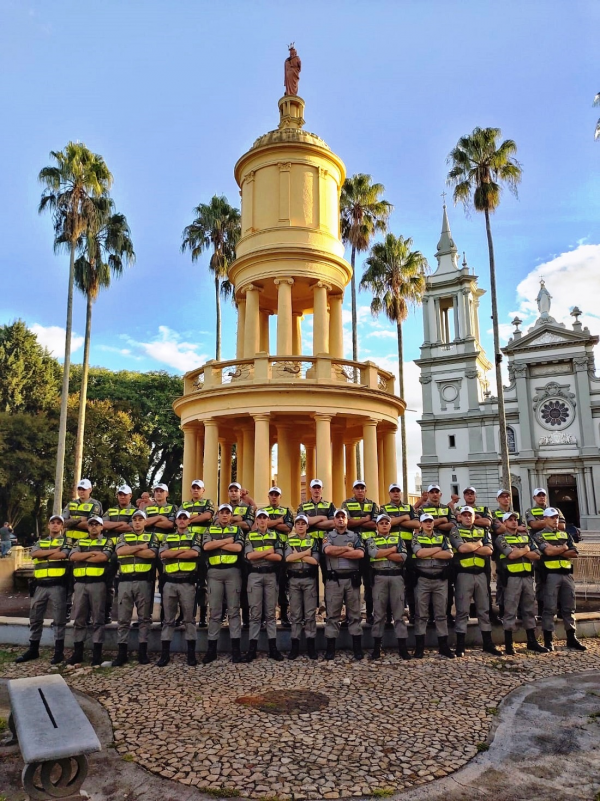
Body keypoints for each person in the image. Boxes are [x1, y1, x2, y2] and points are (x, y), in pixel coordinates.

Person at [15, 515, 70, 665]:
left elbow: (63, 554)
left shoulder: (66, 542)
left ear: (62, 527)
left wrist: (45, 554)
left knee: (59, 619)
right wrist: (53, 552)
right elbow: (34, 554)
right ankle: (33, 649)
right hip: (40, 585)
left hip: (57, 585)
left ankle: (58, 653)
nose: (55, 525)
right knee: (35, 617)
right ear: (48, 525)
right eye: (52, 522)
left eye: (58, 523)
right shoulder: (41, 541)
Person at [449, 506, 501, 657]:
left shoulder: (483, 531)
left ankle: (488, 643)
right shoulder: (455, 531)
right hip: (463, 575)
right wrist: (478, 545)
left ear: (473, 517)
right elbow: (461, 548)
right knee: (462, 610)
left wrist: (472, 547)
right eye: (464, 515)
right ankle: (460, 645)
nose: (467, 517)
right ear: (460, 517)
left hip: (480, 575)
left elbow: (489, 550)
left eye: (469, 515)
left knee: (484, 610)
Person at [533, 508, 586, 651]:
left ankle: (571, 637)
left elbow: (574, 553)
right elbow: (547, 551)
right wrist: (563, 548)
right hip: (550, 575)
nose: (555, 520)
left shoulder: (565, 534)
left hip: (567, 574)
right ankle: (548, 639)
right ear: (545, 519)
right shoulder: (539, 536)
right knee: (549, 607)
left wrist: (558, 549)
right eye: (551, 517)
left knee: (569, 607)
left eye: (556, 517)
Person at [494, 511, 547, 654]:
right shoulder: (501, 538)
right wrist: (526, 549)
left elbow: (537, 555)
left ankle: (532, 641)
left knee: (529, 609)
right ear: (504, 523)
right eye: (510, 520)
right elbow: (511, 554)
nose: (513, 522)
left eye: (515, 519)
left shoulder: (526, 537)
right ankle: (509, 644)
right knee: (510, 610)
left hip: (527, 578)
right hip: (511, 578)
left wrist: (521, 550)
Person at [112, 509, 159, 666]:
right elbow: (120, 552)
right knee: (123, 618)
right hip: (125, 581)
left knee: (144, 618)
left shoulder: (152, 537)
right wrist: (141, 547)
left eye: (141, 519)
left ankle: (143, 652)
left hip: (144, 582)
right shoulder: (123, 536)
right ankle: (122, 653)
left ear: (145, 522)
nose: (137, 521)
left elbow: (152, 554)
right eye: (135, 519)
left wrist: (131, 550)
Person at [156, 509, 202, 667]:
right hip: (170, 582)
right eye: (179, 518)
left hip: (187, 583)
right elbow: (162, 554)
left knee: (189, 619)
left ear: (189, 521)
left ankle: (191, 655)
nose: (182, 520)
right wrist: (183, 552)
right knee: (168, 620)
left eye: (185, 518)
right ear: (175, 521)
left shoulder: (195, 536)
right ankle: (165, 655)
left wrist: (173, 552)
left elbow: (194, 554)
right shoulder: (168, 537)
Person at [67, 516, 114, 666]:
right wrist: (91, 554)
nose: (94, 527)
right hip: (80, 584)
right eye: (91, 524)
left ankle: (97, 654)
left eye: (97, 525)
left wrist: (83, 556)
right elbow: (73, 556)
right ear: (87, 527)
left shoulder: (107, 541)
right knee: (79, 618)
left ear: (102, 527)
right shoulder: (80, 541)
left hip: (97, 584)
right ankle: (78, 652)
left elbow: (103, 557)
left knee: (98, 619)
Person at [202, 503, 244, 664]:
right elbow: (206, 546)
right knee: (215, 612)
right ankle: (211, 650)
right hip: (214, 573)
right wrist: (226, 541)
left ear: (231, 515)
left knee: (234, 610)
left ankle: (236, 650)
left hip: (233, 572)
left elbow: (238, 548)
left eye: (228, 513)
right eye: (222, 512)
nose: (225, 515)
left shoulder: (237, 530)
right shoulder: (209, 530)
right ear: (217, 514)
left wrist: (217, 543)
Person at [366, 513, 410, 660]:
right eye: (381, 523)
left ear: (390, 525)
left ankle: (403, 648)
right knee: (379, 614)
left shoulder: (398, 539)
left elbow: (403, 557)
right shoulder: (372, 539)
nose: (384, 525)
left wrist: (382, 553)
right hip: (379, 577)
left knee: (399, 613)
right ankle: (377, 648)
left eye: (387, 523)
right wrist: (392, 550)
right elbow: (373, 553)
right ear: (377, 526)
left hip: (397, 577)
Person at [322, 509, 365, 661]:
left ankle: (357, 648)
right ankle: (330, 649)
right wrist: (347, 549)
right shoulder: (328, 536)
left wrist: (338, 552)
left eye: (343, 517)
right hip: (334, 581)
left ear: (347, 520)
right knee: (332, 615)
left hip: (351, 580)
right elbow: (327, 550)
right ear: (334, 521)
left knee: (354, 615)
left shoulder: (355, 536)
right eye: (338, 517)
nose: (340, 519)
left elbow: (359, 554)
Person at [243, 509, 284, 662]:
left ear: (267, 520)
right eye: (259, 518)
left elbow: (279, 556)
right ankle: (252, 649)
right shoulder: (250, 535)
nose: (261, 520)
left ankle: (273, 648)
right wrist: (268, 551)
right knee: (255, 613)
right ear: (256, 520)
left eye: (264, 518)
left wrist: (259, 553)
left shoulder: (275, 535)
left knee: (270, 613)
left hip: (271, 575)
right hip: (254, 575)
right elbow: (249, 556)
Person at [412, 513, 455, 658]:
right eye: (425, 521)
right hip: (422, 579)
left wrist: (429, 552)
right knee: (421, 614)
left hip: (440, 579)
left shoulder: (443, 538)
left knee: (441, 613)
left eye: (430, 521)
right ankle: (419, 648)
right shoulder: (416, 537)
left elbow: (449, 554)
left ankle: (443, 646)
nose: (428, 523)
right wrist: (438, 550)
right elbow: (419, 553)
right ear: (421, 524)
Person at [380, 483, 420, 622]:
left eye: (398, 491)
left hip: (408, 548)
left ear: (401, 493)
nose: (396, 493)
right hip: (392, 548)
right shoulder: (384, 508)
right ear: (389, 493)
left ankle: (414, 614)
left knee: (410, 581)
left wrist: (395, 521)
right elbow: (385, 524)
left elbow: (416, 524)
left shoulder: (409, 507)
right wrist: (404, 518)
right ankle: (390, 615)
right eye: (393, 491)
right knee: (392, 582)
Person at [525, 488, 566, 617]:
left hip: (557, 549)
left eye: (543, 495)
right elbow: (533, 525)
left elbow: (562, 526)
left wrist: (542, 522)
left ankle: (560, 609)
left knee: (559, 580)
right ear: (534, 498)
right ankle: (542, 610)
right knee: (541, 581)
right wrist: (548, 522)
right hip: (540, 548)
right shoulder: (530, 511)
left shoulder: (557, 510)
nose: (541, 498)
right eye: (539, 496)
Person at [341, 480, 378, 626]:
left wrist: (357, 521)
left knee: (369, 583)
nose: (360, 491)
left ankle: (369, 614)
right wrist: (365, 519)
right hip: (353, 546)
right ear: (353, 490)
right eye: (357, 488)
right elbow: (347, 522)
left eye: (362, 488)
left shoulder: (373, 504)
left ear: (366, 490)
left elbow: (375, 523)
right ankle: (350, 615)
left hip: (369, 547)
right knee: (351, 583)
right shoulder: (346, 503)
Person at [180, 479, 215, 629]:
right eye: (193, 488)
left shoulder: (208, 502)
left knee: (203, 585)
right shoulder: (185, 504)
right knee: (187, 584)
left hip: (202, 549)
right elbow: (179, 520)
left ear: (203, 490)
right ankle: (186, 616)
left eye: (198, 488)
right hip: (187, 548)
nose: (195, 490)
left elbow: (207, 516)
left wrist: (188, 519)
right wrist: (195, 517)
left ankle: (202, 616)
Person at [419, 484, 455, 625]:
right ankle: (429, 616)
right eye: (432, 492)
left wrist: (433, 523)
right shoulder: (422, 509)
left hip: (445, 548)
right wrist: (441, 521)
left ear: (440, 494)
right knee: (427, 585)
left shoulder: (447, 508)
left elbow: (452, 524)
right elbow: (420, 524)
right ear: (428, 494)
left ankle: (446, 614)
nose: (434, 494)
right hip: (427, 549)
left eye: (437, 492)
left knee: (447, 584)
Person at [284, 514, 319, 660]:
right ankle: (295, 645)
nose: (300, 526)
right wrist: (305, 553)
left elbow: (315, 561)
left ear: (307, 526)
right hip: (294, 580)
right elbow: (287, 558)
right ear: (294, 526)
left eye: (303, 523)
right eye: (297, 523)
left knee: (310, 614)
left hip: (309, 579)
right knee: (296, 614)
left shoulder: (313, 540)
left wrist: (297, 554)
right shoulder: (289, 540)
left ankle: (311, 646)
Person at [102, 484, 137, 624]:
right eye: (120, 494)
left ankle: (128, 616)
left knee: (129, 584)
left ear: (130, 496)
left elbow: (133, 526)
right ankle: (107, 613)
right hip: (110, 551)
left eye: (125, 494)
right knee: (107, 583)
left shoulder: (136, 511)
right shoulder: (110, 510)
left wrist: (113, 524)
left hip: (128, 551)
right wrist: (123, 524)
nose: (122, 496)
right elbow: (103, 525)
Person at [297, 478, 335, 604]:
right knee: (311, 576)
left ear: (322, 489)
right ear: (310, 489)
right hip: (309, 544)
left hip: (325, 542)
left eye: (319, 487)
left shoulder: (329, 505)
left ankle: (327, 607)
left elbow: (332, 523)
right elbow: (302, 523)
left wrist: (312, 521)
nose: (317, 490)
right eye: (314, 487)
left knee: (328, 575)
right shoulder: (303, 506)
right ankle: (313, 607)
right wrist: (322, 518)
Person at [491, 489, 527, 619]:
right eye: (502, 497)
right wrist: (515, 528)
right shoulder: (494, 514)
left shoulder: (516, 514)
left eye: (507, 496)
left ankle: (520, 611)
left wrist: (507, 527)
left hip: (517, 549)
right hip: (501, 552)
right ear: (498, 499)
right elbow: (498, 529)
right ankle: (502, 610)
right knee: (503, 581)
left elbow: (524, 531)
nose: (506, 499)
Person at [262, 487, 294, 627]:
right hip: (267, 551)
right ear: (268, 496)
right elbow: (260, 526)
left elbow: (288, 528)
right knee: (265, 584)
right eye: (272, 495)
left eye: (277, 495)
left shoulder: (286, 511)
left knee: (282, 584)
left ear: (280, 497)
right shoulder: (262, 511)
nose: (274, 497)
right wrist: (278, 522)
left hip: (281, 551)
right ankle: (265, 616)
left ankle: (284, 616)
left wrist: (270, 524)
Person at [227, 482, 255, 629]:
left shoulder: (247, 508)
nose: (233, 493)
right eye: (231, 490)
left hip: (244, 550)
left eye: (235, 490)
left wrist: (230, 520)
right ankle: (229, 617)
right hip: (227, 550)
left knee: (244, 585)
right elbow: (218, 523)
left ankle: (246, 617)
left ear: (240, 493)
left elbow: (248, 525)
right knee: (229, 585)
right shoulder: (223, 508)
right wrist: (238, 519)